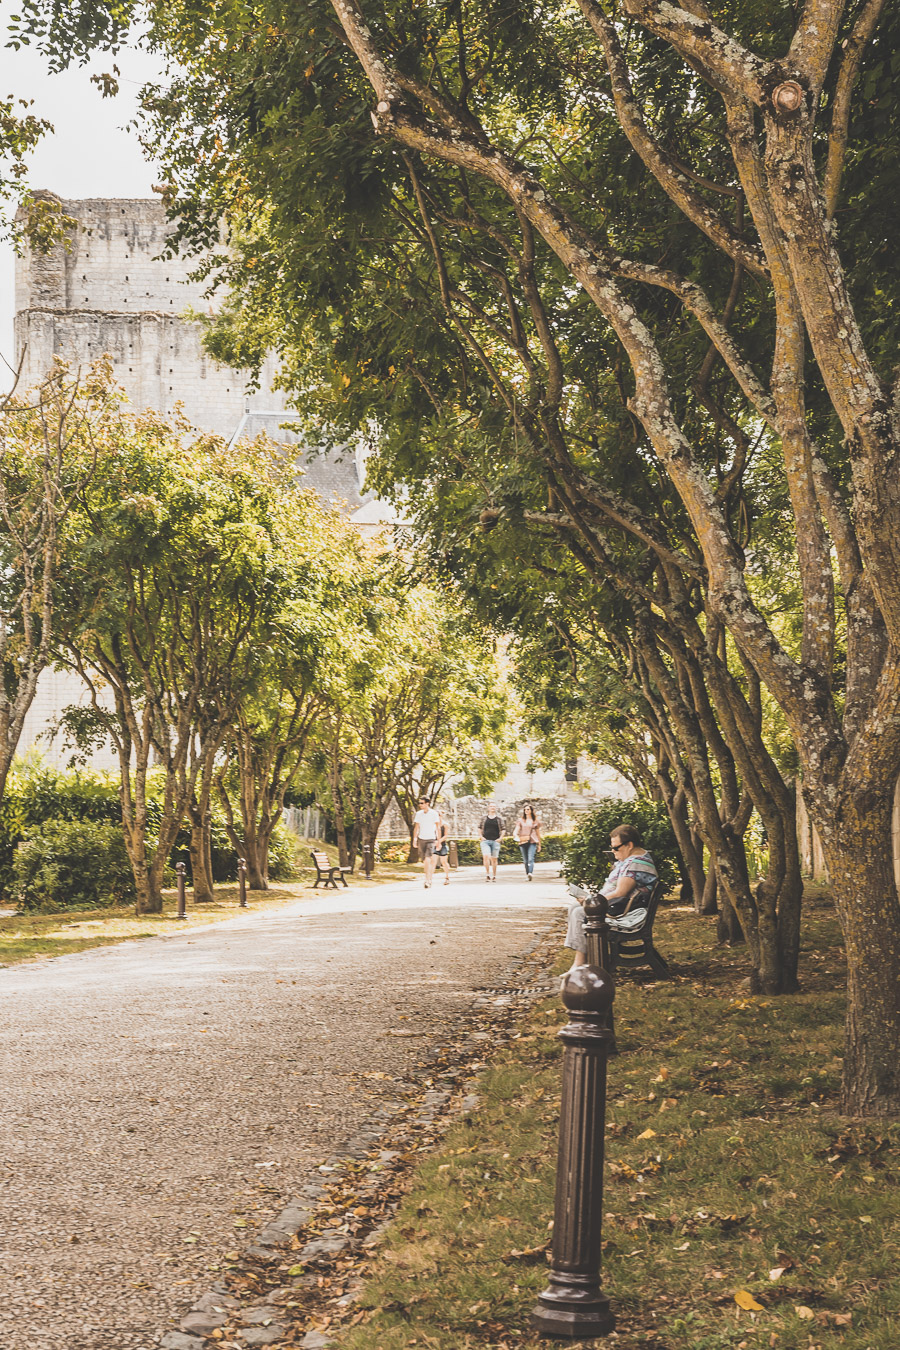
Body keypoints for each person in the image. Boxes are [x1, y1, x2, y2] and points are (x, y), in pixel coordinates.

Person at [564, 823, 658, 972]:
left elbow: (620, 892)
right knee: (574, 908)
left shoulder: (636, 863)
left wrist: (592, 901)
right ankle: (583, 960)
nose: (613, 851)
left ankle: (580, 963)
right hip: (620, 906)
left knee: (579, 912)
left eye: (616, 848)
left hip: (624, 912)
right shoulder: (633, 859)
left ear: (629, 845)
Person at [412, 795, 441, 889]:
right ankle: (429, 878)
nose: (420, 805)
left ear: (427, 803)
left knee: (428, 859)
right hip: (421, 839)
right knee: (425, 861)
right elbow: (416, 827)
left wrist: (439, 841)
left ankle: (427, 880)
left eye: (422, 803)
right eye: (419, 803)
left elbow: (438, 828)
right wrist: (415, 839)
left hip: (431, 839)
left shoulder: (434, 813)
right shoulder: (418, 814)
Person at [513, 803, 543, 880]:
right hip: (523, 841)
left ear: (531, 811)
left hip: (532, 841)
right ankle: (528, 875)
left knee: (531, 858)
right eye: (525, 809)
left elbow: (538, 833)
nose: (526, 811)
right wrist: (515, 835)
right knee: (525, 860)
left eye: (528, 809)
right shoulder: (521, 821)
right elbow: (516, 829)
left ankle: (530, 873)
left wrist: (539, 844)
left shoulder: (535, 821)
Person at [478, 802, 505, 882]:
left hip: (495, 841)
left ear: (496, 808)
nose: (492, 808)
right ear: (488, 808)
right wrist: (481, 836)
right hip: (485, 841)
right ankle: (487, 874)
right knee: (486, 856)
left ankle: (494, 875)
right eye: (491, 806)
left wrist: (500, 838)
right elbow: (479, 828)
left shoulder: (499, 819)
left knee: (494, 859)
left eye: (494, 806)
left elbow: (503, 829)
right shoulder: (484, 818)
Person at [434, 803, 452, 885]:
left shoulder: (445, 825)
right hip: (434, 845)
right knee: (432, 862)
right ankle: (429, 879)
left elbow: (445, 836)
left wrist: (439, 842)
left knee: (444, 862)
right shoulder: (433, 825)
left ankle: (447, 877)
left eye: (438, 815)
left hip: (443, 845)